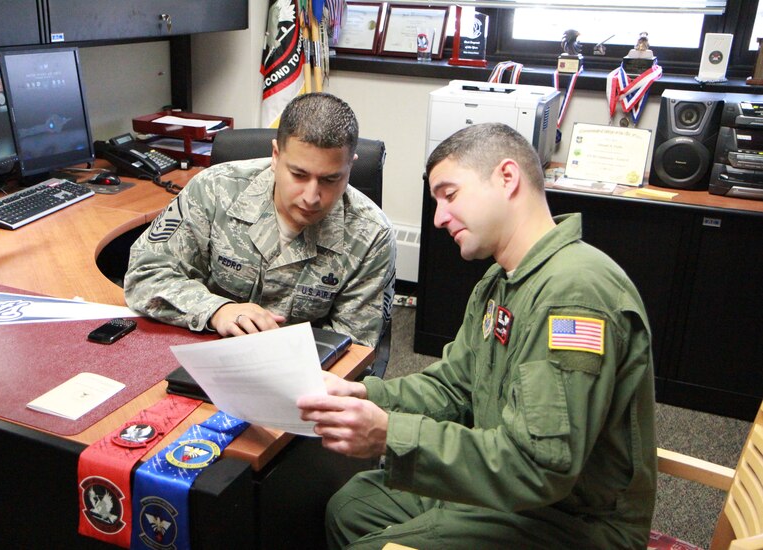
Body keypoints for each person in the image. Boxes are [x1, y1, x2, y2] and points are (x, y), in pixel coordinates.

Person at [298, 122, 657, 549]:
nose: (438, 218)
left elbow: (540, 468)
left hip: (574, 520)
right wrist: (361, 397)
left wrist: (389, 434)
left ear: (507, 178)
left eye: (449, 195)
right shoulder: (502, 281)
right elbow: (455, 387)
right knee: (354, 505)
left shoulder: (573, 295)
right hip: (515, 492)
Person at [124, 93, 396, 349]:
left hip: (300, 374)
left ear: (351, 166)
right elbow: (145, 273)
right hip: (205, 347)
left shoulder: (371, 235)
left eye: (330, 179)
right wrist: (216, 310)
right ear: (276, 156)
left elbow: (354, 347)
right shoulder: (215, 190)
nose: (312, 197)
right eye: (299, 175)